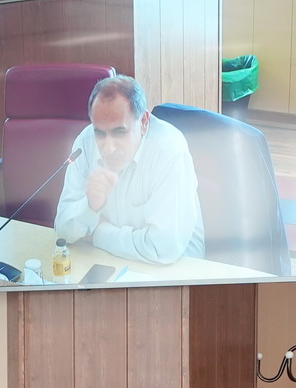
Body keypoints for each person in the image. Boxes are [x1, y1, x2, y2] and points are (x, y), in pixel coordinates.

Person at [54, 76, 204, 265]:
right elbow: (62, 229)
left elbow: (163, 249)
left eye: (119, 132)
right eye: (100, 133)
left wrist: (97, 233)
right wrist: (90, 207)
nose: (108, 148)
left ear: (143, 122)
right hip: (112, 259)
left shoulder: (169, 150)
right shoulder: (85, 142)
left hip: (177, 268)